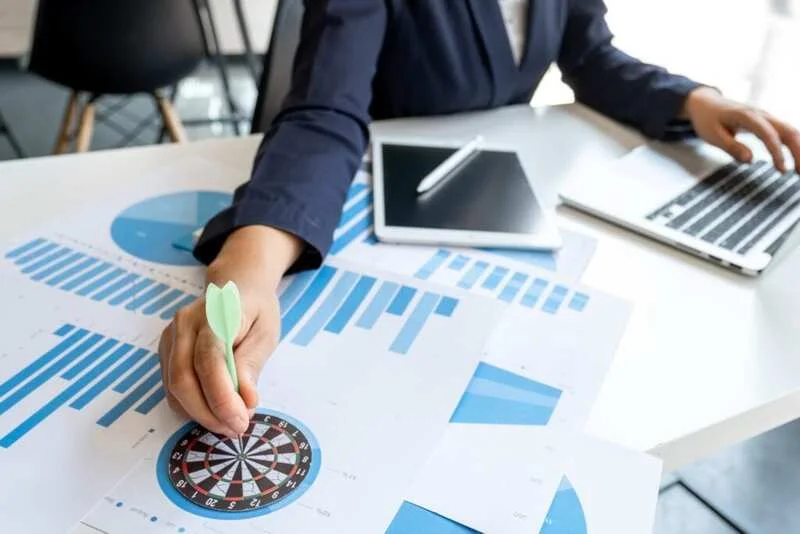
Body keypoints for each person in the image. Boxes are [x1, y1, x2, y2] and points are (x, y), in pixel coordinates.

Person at [158, 0, 800, 437]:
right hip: (378, 211)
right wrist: (252, 261)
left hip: (506, 211)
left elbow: (592, 55)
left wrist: (694, 100)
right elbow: (326, 111)